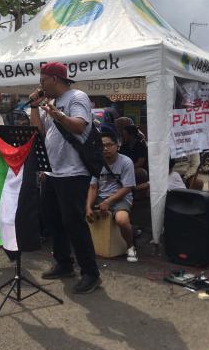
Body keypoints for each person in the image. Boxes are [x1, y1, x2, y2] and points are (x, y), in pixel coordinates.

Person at [29, 61, 101, 294]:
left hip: (74, 172)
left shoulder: (76, 98)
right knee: (53, 219)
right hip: (53, 171)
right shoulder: (52, 103)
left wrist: (55, 112)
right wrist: (34, 107)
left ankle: (90, 273)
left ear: (54, 79)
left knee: (74, 223)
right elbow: (38, 131)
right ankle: (64, 263)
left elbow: (79, 127)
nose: (40, 85)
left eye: (42, 81)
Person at [85, 132, 138, 262]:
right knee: (79, 212)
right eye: (102, 145)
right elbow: (93, 187)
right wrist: (88, 208)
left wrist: (108, 202)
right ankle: (89, 247)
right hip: (101, 197)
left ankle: (131, 246)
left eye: (109, 145)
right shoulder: (97, 163)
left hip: (120, 197)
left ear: (117, 146)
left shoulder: (126, 162)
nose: (105, 148)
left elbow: (127, 188)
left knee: (122, 220)